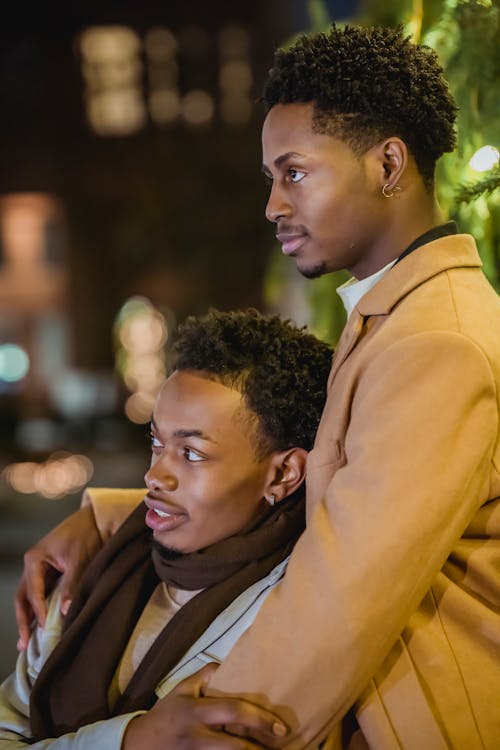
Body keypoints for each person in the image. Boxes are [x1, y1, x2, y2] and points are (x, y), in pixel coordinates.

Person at [16, 24, 500, 749]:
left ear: (388, 163)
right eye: (270, 178)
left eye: (294, 172)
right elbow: (337, 495)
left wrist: (194, 731)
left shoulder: (435, 343)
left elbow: (346, 586)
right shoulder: (394, 319)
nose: (273, 205)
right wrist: (113, 518)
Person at [0, 308, 333, 749]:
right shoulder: (97, 565)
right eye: (156, 443)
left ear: (283, 474)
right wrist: (129, 740)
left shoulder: (292, 614)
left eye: (191, 453)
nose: (155, 475)